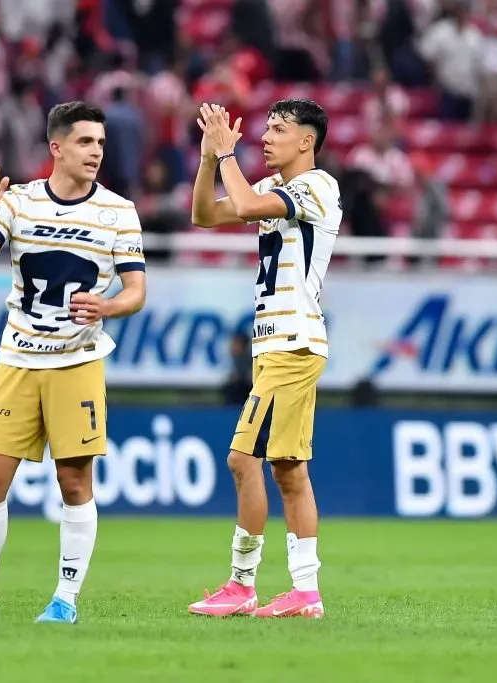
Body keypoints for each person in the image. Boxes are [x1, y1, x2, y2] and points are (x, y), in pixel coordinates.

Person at [0, 102, 147, 624]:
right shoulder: (20, 201)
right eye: (85, 142)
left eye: (100, 143)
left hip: (77, 361)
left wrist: (109, 305)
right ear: (57, 147)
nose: (96, 151)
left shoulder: (118, 210)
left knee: (74, 484)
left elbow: (136, 290)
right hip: (18, 359)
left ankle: (65, 600)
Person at [187, 98, 340, 618]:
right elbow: (205, 214)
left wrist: (228, 156)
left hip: (293, 342)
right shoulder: (277, 193)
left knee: (243, 459)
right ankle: (303, 592)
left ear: (306, 141)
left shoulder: (316, 187)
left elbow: (247, 207)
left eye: (279, 129)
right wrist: (211, 157)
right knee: (288, 469)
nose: (267, 137)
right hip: (274, 343)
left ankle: (244, 583)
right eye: (266, 128)